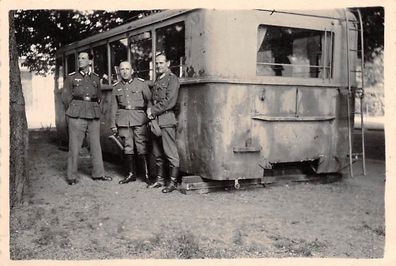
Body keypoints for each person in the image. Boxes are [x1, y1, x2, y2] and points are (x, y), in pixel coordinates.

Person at [61, 52, 112, 185]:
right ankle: (71, 176)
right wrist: (74, 108)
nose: (80, 60)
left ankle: (98, 174)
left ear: (90, 62)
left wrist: (93, 108)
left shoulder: (95, 78)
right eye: (79, 58)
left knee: (95, 145)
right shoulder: (71, 77)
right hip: (76, 114)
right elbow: (66, 98)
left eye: (83, 58)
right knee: (75, 146)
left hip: (93, 114)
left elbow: (99, 97)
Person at [109, 61, 152, 184]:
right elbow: (113, 107)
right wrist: (113, 124)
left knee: (141, 146)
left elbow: (149, 100)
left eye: (127, 69)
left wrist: (149, 115)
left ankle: (147, 175)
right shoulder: (116, 87)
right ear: (119, 71)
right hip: (123, 120)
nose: (125, 71)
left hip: (139, 119)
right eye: (122, 69)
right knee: (128, 147)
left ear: (132, 71)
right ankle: (131, 174)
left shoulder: (141, 84)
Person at [147, 53, 180, 193]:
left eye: (161, 63)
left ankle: (172, 182)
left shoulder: (172, 79)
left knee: (170, 152)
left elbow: (170, 101)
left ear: (168, 63)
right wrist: (150, 111)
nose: (159, 66)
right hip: (155, 121)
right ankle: (160, 180)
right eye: (157, 63)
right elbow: (153, 98)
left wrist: (152, 111)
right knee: (157, 152)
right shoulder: (158, 80)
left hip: (166, 119)